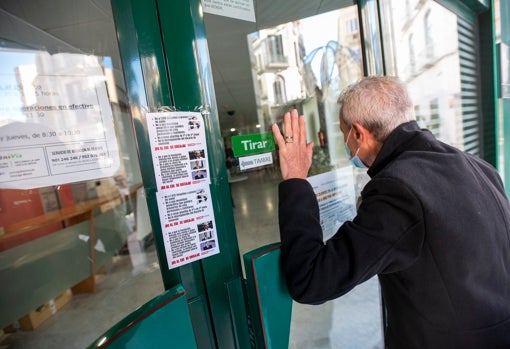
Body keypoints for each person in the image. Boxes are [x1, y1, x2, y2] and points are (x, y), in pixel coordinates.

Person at [271, 76, 510, 349]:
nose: (347, 145)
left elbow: (311, 279)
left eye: (343, 134)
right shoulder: (477, 166)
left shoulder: (398, 190)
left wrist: (295, 180)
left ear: (359, 133)